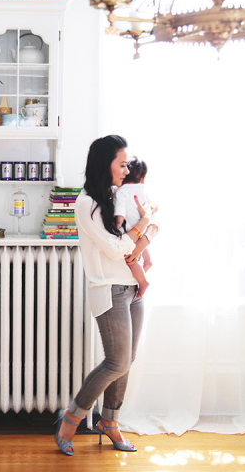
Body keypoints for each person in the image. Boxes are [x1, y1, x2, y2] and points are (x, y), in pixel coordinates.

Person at [54, 135, 158, 456]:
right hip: (109, 289)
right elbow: (115, 248)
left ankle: (109, 421)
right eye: (122, 164)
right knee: (116, 362)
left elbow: (153, 226)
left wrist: (143, 228)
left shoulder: (120, 195)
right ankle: (72, 416)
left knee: (127, 360)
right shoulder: (88, 204)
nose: (127, 169)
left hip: (133, 287)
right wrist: (141, 225)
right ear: (105, 164)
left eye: (127, 164)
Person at [114, 156, 153, 298]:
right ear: (143, 178)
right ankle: (148, 261)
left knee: (130, 259)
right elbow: (152, 207)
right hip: (144, 227)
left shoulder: (121, 191)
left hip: (132, 229)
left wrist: (118, 223)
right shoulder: (144, 190)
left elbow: (120, 210)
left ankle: (143, 282)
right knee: (143, 244)